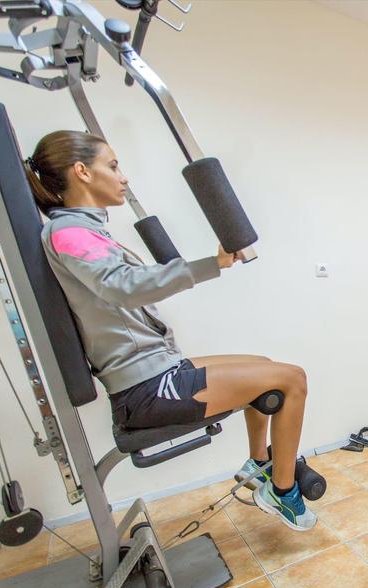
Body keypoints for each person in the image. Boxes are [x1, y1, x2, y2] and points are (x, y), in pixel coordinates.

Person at [25, 130, 316, 531]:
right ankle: (283, 492)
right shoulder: (69, 232)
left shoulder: (82, 229)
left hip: (157, 368)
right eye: (112, 165)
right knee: (292, 379)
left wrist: (208, 265)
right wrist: (207, 266)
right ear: (82, 172)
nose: (123, 176)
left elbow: (126, 280)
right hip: (145, 390)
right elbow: (123, 286)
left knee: (264, 365)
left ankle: (260, 465)